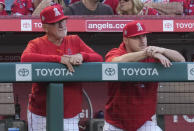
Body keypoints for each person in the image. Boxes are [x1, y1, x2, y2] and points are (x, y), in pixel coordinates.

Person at [21, 3, 103, 131]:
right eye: (55, 22)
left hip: (70, 113)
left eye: (63, 20)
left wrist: (82, 56)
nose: (61, 25)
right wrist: (59, 59)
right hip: (42, 114)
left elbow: (98, 58)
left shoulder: (74, 40)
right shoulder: (37, 43)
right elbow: (25, 59)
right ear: (45, 27)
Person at [103, 21, 185, 131]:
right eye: (136, 37)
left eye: (144, 36)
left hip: (144, 122)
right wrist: (146, 53)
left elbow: (181, 60)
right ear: (125, 40)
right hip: (116, 123)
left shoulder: (153, 54)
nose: (142, 40)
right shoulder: (116, 52)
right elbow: (114, 62)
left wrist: (162, 50)